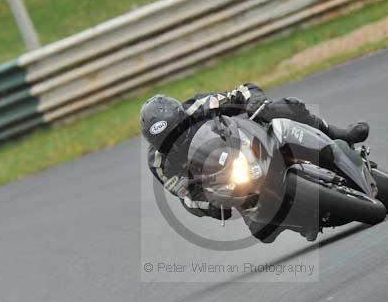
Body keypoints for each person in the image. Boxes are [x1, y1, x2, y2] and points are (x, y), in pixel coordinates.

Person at [140, 83, 369, 232]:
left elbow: (241, 92)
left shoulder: (198, 106)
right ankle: (305, 217)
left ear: (182, 116)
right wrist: (210, 203)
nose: (177, 141)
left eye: (179, 131)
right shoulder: (160, 164)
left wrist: (254, 102)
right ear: (156, 145)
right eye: (169, 142)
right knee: (260, 228)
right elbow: (187, 195)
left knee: (281, 108)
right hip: (228, 181)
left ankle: (337, 133)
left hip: (244, 140)